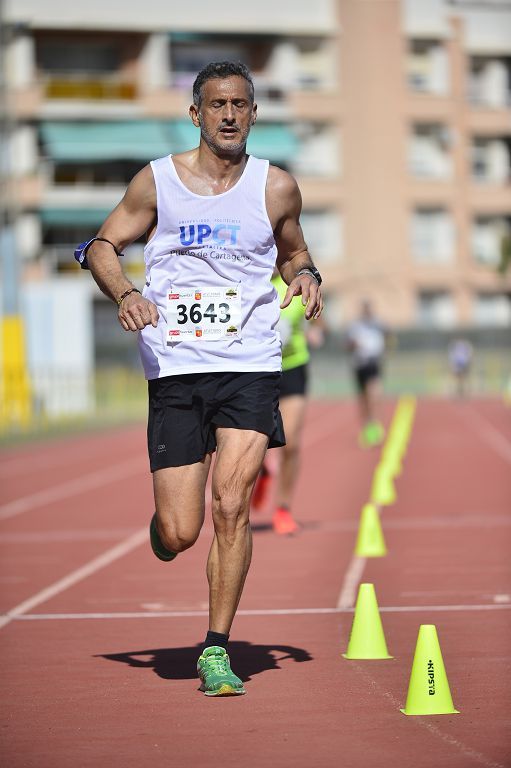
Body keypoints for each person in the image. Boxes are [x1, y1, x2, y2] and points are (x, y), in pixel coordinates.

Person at [74, 61, 323, 697]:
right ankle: (164, 531)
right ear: (197, 114)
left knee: (233, 505)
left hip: (249, 362)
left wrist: (306, 276)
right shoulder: (157, 182)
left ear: (254, 114)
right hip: (177, 364)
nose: (231, 115)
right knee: (184, 529)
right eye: (218, 105)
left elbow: (295, 248)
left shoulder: (276, 188)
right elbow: (101, 246)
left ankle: (217, 648)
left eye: (241, 104)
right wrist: (126, 292)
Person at [252, 271, 324, 534]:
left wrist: (315, 330)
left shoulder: (293, 282)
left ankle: (283, 508)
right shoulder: (249, 278)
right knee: (251, 443)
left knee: (290, 441)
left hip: (292, 368)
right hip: (257, 369)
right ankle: (262, 471)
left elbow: (318, 318)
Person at [346, 299, 388, 447]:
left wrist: (383, 350)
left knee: (374, 396)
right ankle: (366, 427)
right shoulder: (355, 326)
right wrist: (353, 344)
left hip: (373, 364)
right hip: (359, 366)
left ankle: (375, 426)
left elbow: (388, 337)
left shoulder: (378, 324)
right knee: (363, 399)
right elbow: (348, 344)